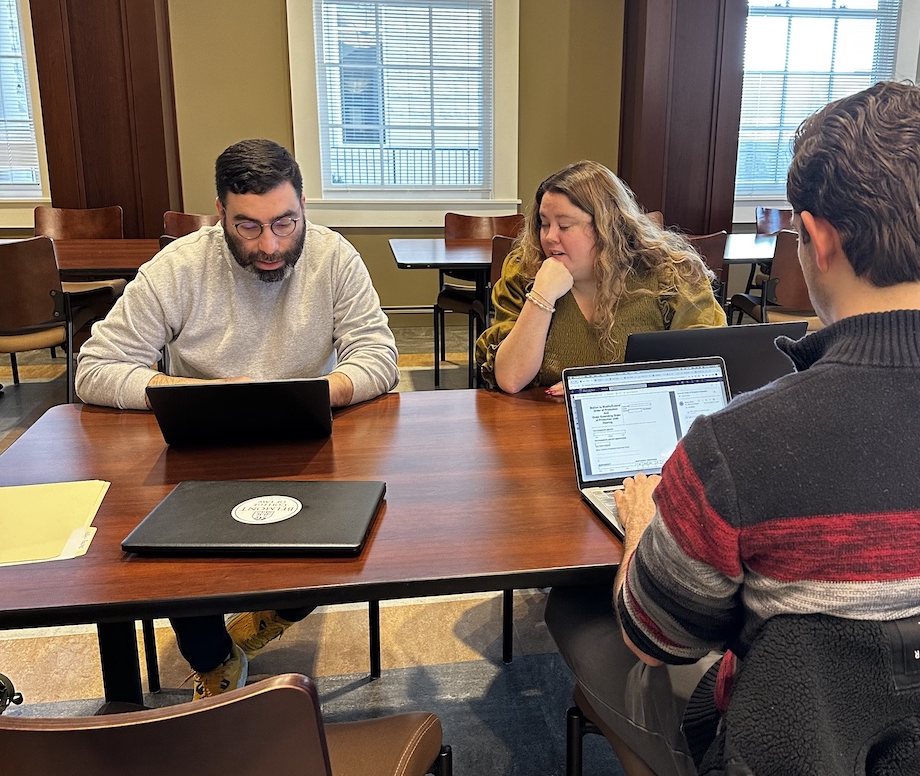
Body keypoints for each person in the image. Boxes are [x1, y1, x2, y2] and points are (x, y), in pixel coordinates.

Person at [604, 81, 920, 776]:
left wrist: (640, 528)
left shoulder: (735, 446)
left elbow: (660, 637)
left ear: (815, 238)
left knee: (588, 628)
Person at [77, 138, 399, 697]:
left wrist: (313, 391)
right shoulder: (177, 268)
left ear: (303, 207)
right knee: (167, 555)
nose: (270, 244)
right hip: (199, 445)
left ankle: (279, 610)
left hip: (308, 440)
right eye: (248, 227)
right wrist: (191, 393)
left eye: (285, 223)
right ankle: (212, 656)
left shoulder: (333, 258)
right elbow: (97, 368)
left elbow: (378, 356)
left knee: (350, 530)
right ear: (220, 212)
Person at [475, 160, 726, 394]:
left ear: (608, 228)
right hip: (542, 425)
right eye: (544, 224)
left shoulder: (668, 274)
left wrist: (601, 385)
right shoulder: (525, 272)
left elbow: (706, 368)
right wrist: (542, 297)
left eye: (564, 226)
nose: (549, 237)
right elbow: (510, 379)